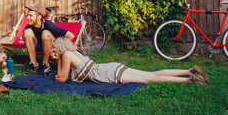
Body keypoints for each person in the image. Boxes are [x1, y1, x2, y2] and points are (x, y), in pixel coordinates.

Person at [51, 37, 210, 85]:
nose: (52, 51)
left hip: (106, 74)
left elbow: (62, 78)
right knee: (152, 73)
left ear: (60, 48)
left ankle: (189, 80)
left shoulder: (66, 56)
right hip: (109, 67)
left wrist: (58, 60)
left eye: (54, 49)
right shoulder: (75, 51)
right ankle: (189, 71)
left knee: (149, 79)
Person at [23, 4, 75, 74]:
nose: (27, 18)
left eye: (31, 15)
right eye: (28, 15)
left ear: (39, 17)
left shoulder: (49, 25)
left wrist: (59, 50)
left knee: (46, 33)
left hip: (50, 49)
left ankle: (45, 65)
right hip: (38, 47)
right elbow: (26, 39)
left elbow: (70, 36)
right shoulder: (30, 26)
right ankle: (33, 64)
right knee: (27, 32)